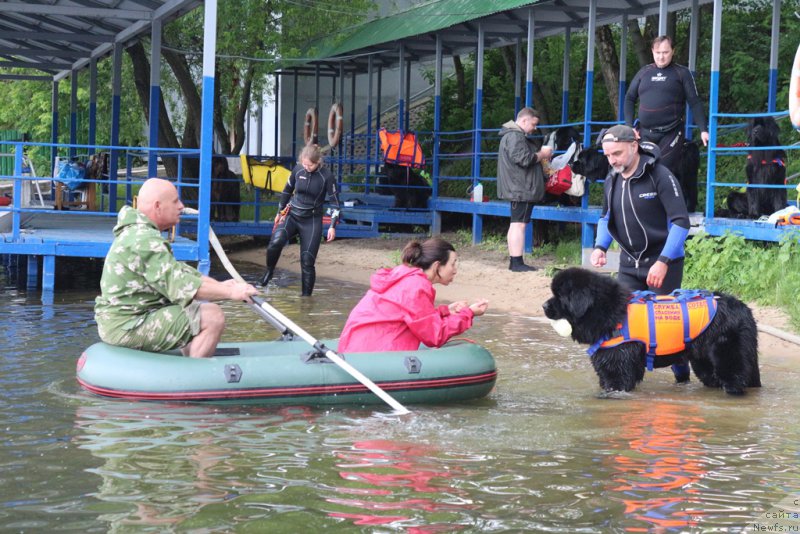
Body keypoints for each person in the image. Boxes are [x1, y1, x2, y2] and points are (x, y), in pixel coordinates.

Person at [94, 178, 258, 358]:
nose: (181, 206)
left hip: (127, 320)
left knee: (194, 306)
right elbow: (182, 286)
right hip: (127, 326)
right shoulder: (144, 240)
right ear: (158, 206)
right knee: (213, 316)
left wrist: (222, 286)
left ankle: (190, 356)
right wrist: (231, 293)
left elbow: (182, 273)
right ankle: (193, 371)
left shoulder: (140, 233)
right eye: (175, 201)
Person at [338, 237, 489, 353]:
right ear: (437, 266)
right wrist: (468, 313)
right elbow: (435, 335)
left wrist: (446, 311)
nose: (455, 270)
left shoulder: (405, 276)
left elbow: (412, 316)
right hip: (372, 355)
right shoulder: (416, 286)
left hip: (354, 348)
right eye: (453, 264)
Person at [590, 125, 691, 293]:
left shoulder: (660, 175)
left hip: (662, 262)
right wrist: (600, 247)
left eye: (617, 153)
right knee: (625, 310)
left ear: (634, 146)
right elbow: (606, 217)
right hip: (628, 265)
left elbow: (681, 222)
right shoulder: (611, 179)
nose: (612, 161)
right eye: (607, 155)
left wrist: (663, 261)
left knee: (659, 311)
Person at [624, 35, 709, 185]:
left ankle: (666, 198)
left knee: (662, 170)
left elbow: (694, 102)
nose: (661, 57)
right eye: (658, 53)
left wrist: (703, 129)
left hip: (671, 132)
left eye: (665, 52)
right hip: (645, 132)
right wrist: (630, 127)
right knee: (642, 170)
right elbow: (629, 98)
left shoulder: (681, 73)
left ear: (673, 51)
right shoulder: (644, 72)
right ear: (652, 51)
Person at [259, 144, 341, 296]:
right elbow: (286, 191)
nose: (306, 167)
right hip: (292, 215)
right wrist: (279, 212)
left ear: (318, 162)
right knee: (275, 243)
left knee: (307, 260)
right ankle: (269, 271)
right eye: (304, 164)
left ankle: (306, 299)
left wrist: (332, 226)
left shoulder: (327, 176)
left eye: (310, 165)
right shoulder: (298, 170)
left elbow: (335, 204)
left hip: (312, 221)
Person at [497, 107, 553, 272]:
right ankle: (517, 262)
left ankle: (515, 261)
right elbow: (525, 159)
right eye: (533, 124)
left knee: (516, 223)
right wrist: (542, 154)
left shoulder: (511, 136)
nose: (535, 128)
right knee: (519, 225)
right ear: (524, 120)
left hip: (518, 187)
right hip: (521, 188)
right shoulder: (515, 136)